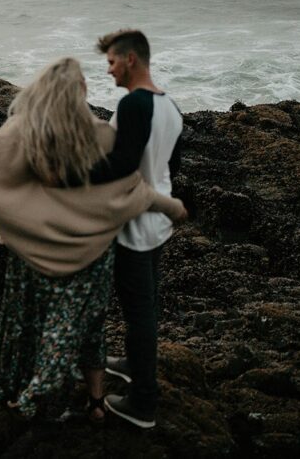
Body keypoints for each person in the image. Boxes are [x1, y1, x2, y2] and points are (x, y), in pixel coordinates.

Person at [0, 57, 186, 420]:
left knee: (27, 323)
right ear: (82, 92)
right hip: (90, 257)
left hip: (32, 253)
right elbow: (130, 191)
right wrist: (171, 207)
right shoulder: (103, 136)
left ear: (42, 90)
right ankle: (93, 403)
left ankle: (27, 392)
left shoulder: (23, 131)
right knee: (84, 329)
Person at [83, 29, 183, 430]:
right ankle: (131, 362)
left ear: (129, 59)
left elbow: (121, 164)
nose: (108, 71)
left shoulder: (133, 105)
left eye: (110, 62)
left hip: (135, 224)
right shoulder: (170, 106)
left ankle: (143, 401)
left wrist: (72, 176)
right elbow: (170, 169)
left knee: (138, 309)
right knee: (145, 302)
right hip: (158, 218)